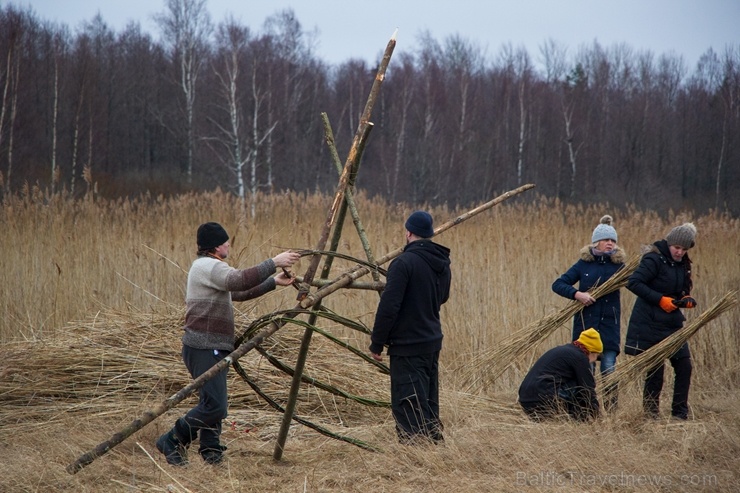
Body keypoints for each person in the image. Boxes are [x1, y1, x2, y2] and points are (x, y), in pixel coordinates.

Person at [156, 222, 300, 465]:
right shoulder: (207, 266)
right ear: (215, 246)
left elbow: (237, 292)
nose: (229, 244)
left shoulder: (210, 268)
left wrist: (273, 282)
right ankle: (173, 439)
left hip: (209, 345)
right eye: (225, 241)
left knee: (212, 402)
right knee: (216, 406)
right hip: (203, 346)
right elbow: (238, 281)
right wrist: (274, 261)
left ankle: (211, 453)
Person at [369, 211, 451, 444]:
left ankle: (417, 457)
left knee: (408, 403)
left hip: (407, 346)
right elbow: (443, 297)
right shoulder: (442, 262)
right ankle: (435, 446)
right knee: (427, 400)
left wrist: (377, 343)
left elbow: (389, 307)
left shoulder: (403, 263)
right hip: (432, 342)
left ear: (408, 233)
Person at [551, 215, 625, 411]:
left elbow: (637, 283)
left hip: (609, 326)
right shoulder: (583, 264)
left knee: (609, 370)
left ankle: (611, 412)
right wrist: (578, 295)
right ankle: (586, 410)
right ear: (596, 242)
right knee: (585, 370)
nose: (610, 243)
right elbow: (558, 284)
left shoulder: (620, 266)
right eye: (606, 240)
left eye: (613, 240)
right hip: (585, 327)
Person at [624, 222, 698, 420]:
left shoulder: (683, 264)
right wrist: (660, 299)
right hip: (649, 323)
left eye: (684, 249)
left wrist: (685, 299)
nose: (680, 252)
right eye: (677, 248)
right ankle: (650, 416)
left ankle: (679, 414)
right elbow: (633, 283)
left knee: (684, 366)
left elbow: (680, 290)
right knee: (655, 371)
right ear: (669, 243)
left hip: (672, 324)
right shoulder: (653, 259)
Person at [518, 328, 603, 421]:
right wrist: (597, 417)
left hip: (526, 400)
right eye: (596, 356)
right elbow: (588, 389)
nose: (594, 361)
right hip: (544, 400)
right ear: (591, 352)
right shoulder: (580, 358)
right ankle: (578, 420)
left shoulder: (564, 350)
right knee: (579, 385)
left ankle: (573, 418)